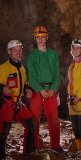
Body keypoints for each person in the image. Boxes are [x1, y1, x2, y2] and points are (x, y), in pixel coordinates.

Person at [0, 40, 38, 160]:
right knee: (5, 130)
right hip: (8, 103)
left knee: (31, 125)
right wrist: (3, 88)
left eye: (20, 50)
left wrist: (27, 90)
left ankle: (28, 151)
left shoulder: (22, 68)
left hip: (18, 103)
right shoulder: (4, 67)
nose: (18, 52)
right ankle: (0, 157)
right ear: (9, 52)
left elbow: (24, 85)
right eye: (15, 50)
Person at [26, 25, 64, 153]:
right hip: (37, 90)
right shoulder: (32, 56)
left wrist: (53, 89)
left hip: (51, 90)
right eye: (38, 37)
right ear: (35, 39)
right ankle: (32, 146)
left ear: (46, 38)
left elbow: (57, 74)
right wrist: (39, 89)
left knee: (53, 118)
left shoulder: (53, 55)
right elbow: (30, 75)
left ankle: (55, 145)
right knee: (34, 118)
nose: (40, 39)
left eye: (43, 37)